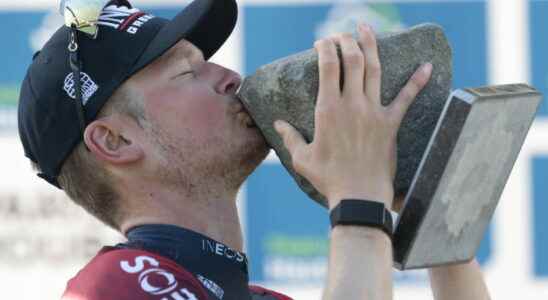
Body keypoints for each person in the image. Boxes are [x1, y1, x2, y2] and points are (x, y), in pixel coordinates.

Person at [17, 0, 491, 299]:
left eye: (208, 63)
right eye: (188, 73)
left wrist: (435, 225)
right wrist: (360, 200)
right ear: (116, 141)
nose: (230, 78)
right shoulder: (114, 288)